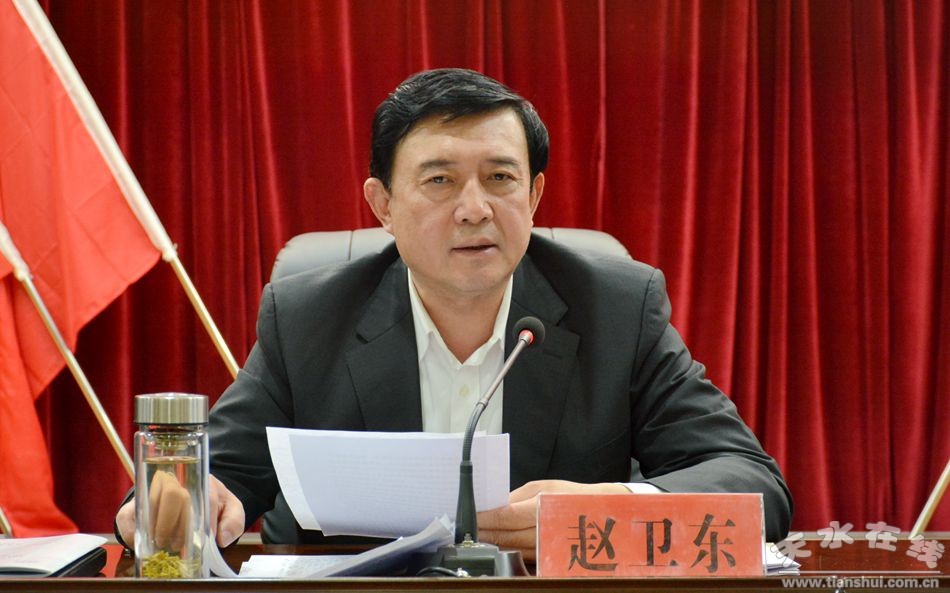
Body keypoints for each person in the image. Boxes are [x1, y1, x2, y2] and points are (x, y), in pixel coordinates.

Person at [116, 68, 792, 559]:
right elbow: (218, 474)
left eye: (500, 178)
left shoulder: (615, 309)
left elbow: (752, 484)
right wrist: (183, 501)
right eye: (439, 181)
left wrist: (602, 508)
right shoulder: (310, 317)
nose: (474, 209)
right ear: (382, 205)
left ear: (534, 196)